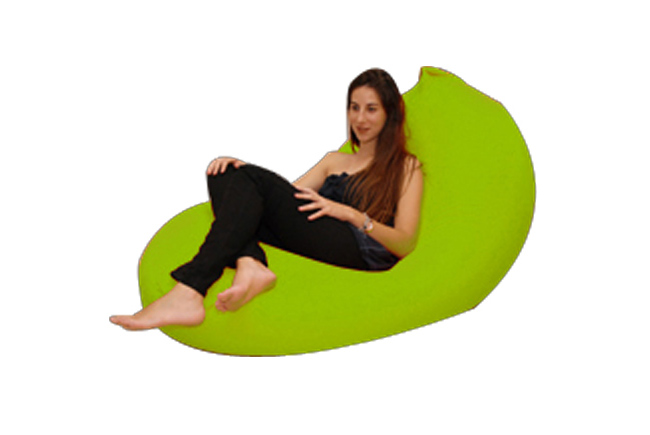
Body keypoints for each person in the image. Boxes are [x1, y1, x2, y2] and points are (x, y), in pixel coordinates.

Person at [110, 68, 423, 331]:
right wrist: (240, 175)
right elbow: (282, 197)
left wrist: (350, 214)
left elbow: (405, 243)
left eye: (371, 109)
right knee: (224, 174)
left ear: (389, 113)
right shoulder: (334, 160)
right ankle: (250, 263)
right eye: (354, 107)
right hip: (315, 231)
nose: (360, 118)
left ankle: (190, 289)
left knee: (246, 181)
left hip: (353, 247)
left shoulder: (407, 167)